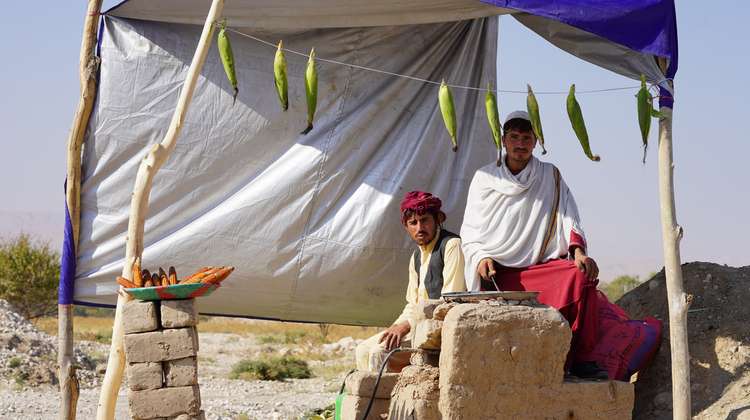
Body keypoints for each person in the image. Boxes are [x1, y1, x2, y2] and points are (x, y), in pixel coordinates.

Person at [460, 110, 606, 378]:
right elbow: (470, 229)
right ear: (503, 140)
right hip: (499, 273)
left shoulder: (550, 175)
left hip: (539, 269)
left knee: (578, 275)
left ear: (535, 141)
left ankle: (578, 358)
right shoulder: (485, 177)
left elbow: (569, 216)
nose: (520, 144)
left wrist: (579, 252)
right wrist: (480, 257)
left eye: (527, 138)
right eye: (514, 137)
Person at [355, 191, 466, 372]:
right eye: (413, 223)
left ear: (437, 219)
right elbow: (412, 305)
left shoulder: (452, 245)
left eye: (425, 220)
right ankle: (371, 399)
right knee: (362, 350)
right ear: (406, 227)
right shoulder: (416, 256)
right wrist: (396, 326)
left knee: (379, 353)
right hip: (416, 325)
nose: (419, 228)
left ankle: (389, 399)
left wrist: (405, 326)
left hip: (438, 327)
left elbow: (450, 301)